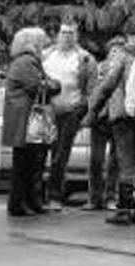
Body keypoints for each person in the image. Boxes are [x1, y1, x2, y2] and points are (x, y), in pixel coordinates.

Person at [84, 15, 135, 226]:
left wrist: (93, 110)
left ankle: (124, 210)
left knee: (126, 163)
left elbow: (108, 84)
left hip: (124, 117)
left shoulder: (124, 54)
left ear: (128, 34)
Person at [1, 27, 61, 217]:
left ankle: (29, 202)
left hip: (23, 119)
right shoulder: (27, 62)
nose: (44, 45)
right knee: (26, 165)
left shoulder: (23, 61)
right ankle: (20, 203)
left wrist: (49, 83)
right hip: (25, 120)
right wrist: (54, 84)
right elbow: (39, 85)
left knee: (29, 163)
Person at [41, 18, 97, 211]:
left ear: (77, 36)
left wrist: (83, 111)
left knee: (61, 154)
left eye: (70, 33)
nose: (66, 37)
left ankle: (54, 196)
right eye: (63, 32)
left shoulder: (85, 58)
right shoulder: (46, 55)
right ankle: (39, 194)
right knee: (41, 152)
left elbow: (91, 90)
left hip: (71, 111)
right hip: (47, 111)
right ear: (57, 35)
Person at [84, 36, 125, 211]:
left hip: (117, 117)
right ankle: (94, 198)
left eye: (119, 50)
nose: (115, 53)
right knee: (96, 160)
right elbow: (91, 89)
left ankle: (111, 197)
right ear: (108, 52)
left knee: (115, 162)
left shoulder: (125, 68)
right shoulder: (99, 68)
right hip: (100, 118)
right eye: (113, 50)